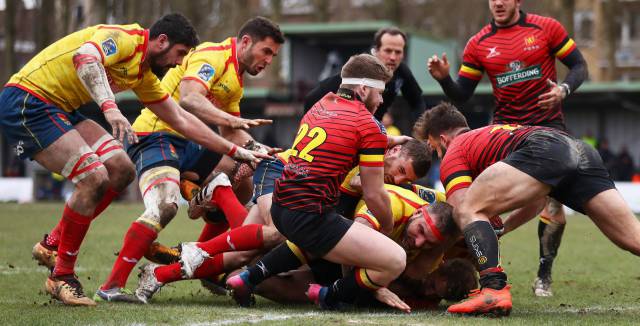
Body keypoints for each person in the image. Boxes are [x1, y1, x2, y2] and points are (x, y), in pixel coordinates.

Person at [92, 16, 284, 303]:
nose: (269, 60)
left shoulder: (236, 79)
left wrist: (264, 151)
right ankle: (110, 286)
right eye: (266, 51)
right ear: (246, 42)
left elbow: (231, 133)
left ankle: (204, 251)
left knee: (241, 173)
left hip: (189, 144)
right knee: (164, 207)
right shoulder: (213, 55)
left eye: (274, 55)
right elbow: (190, 99)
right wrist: (233, 120)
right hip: (155, 136)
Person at [223, 53, 418, 312]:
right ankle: (328, 295)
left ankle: (248, 277)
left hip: (281, 205)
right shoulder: (369, 125)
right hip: (308, 215)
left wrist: (385, 141)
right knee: (395, 260)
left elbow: (338, 140)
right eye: (380, 92)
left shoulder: (322, 104)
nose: (382, 99)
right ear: (362, 88)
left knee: (323, 233)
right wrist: (387, 228)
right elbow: (374, 194)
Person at [413, 102, 640, 316]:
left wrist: (431, 257)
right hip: (578, 149)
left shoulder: (457, 149)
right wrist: (499, 231)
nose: (439, 156)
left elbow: (461, 209)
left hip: (547, 148)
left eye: (435, 149)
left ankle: (493, 289)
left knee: (466, 208)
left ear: (442, 140)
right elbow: (536, 202)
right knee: (632, 238)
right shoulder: (490, 136)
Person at [427, 0, 589, 297]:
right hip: (503, 135)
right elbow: (462, 93)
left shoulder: (546, 28)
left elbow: (579, 65)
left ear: (518, 1)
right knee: (475, 202)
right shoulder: (478, 44)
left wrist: (563, 90)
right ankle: (481, 264)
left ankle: (544, 275)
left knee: (552, 203)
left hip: (547, 131)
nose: (498, 2)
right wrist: (444, 79)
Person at [304, 27, 426, 122]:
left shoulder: (402, 72)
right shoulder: (360, 68)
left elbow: (417, 102)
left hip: (371, 128)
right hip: (349, 131)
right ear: (376, 50)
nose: (393, 57)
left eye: (398, 52)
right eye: (388, 51)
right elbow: (312, 98)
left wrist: (422, 135)